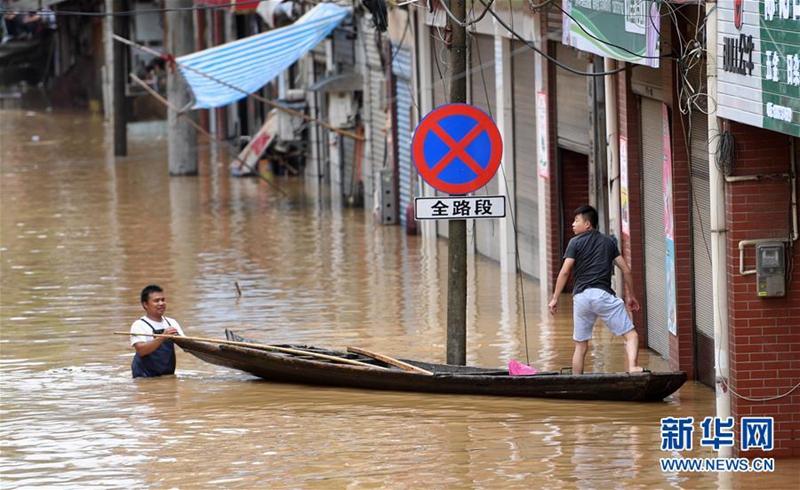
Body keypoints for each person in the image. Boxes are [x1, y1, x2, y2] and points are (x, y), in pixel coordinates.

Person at [548, 205, 646, 375]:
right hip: (603, 296)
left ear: (587, 224)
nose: (572, 224)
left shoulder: (574, 243)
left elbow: (564, 272)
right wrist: (632, 296)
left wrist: (555, 298)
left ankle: (576, 380)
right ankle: (632, 367)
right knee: (632, 336)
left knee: (581, 346)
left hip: (581, 298)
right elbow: (626, 270)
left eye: (576, 221)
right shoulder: (608, 242)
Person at [130, 285, 185, 378]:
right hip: (144, 377)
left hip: (167, 376)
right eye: (156, 301)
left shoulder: (171, 322)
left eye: (163, 300)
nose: (161, 303)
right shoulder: (139, 325)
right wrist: (163, 337)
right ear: (145, 304)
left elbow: (186, 346)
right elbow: (141, 350)